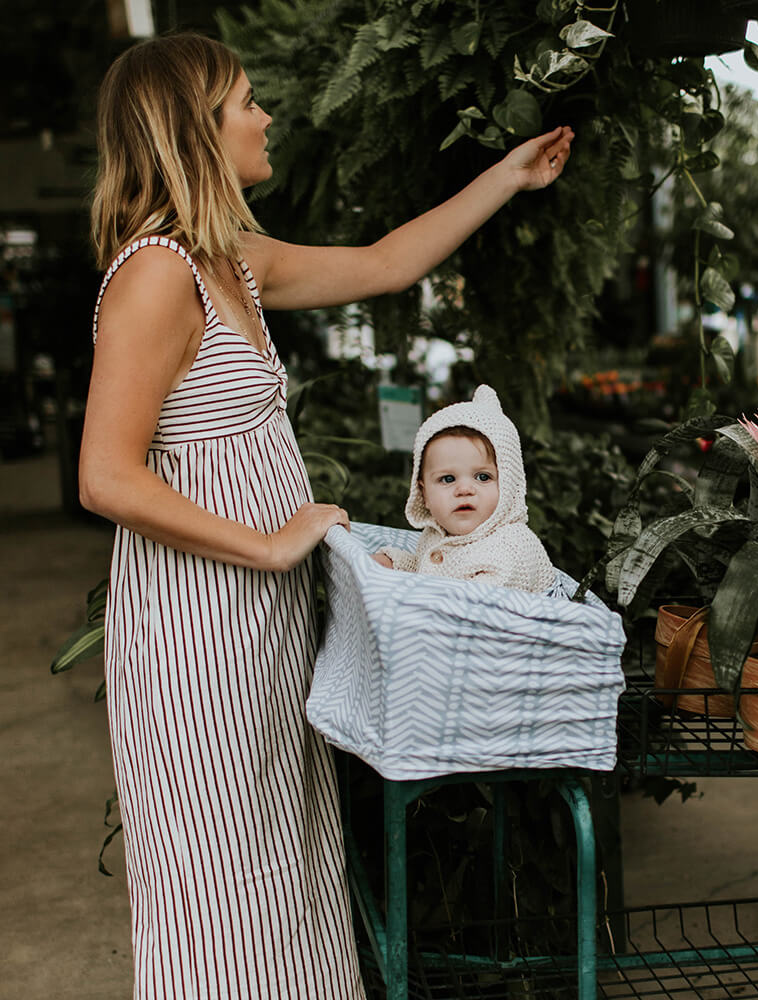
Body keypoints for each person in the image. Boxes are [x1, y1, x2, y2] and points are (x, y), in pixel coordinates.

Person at [78, 32, 573, 1000]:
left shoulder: (229, 261)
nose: (266, 116)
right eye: (246, 102)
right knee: (214, 871)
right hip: (197, 624)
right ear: (194, 128)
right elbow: (106, 475)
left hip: (258, 615)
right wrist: (269, 541)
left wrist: (506, 177)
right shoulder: (155, 276)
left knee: (280, 855)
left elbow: (387, 262)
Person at [374, 385, 556, 593]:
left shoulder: (512, 547)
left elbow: (471, 607)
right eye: (448, 479)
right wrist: (392, 564)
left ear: (509, 485)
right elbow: (426, 571)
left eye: (483, 477)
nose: (464, 489)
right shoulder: (437, 534)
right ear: (423, 494)